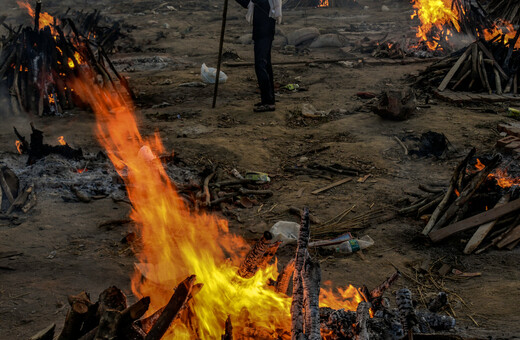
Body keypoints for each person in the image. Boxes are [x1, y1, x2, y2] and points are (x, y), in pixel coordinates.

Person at [235, 0, 282, 112]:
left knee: (260, 65)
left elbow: (249, 2)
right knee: (266, 65)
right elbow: (247, 3)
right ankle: (269, 100)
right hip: (263, 31)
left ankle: (268, 102)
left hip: (264, 32)